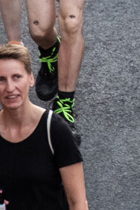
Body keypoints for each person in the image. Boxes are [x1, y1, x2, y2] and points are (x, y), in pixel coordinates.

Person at [0, 41, 84, 209]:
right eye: (1, 79)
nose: (10, 87)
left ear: (31, 78)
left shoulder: (55, 130)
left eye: (17, 77)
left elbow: (78, 202)